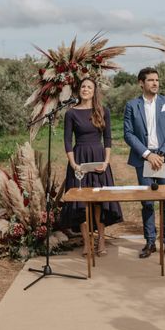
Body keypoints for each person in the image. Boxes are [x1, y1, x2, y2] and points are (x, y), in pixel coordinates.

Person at [123, 67, 165, 260]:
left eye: (157, 80)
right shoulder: (132, 105)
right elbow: (128, 134)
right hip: (144, 158)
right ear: (141, 83)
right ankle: (150, 242)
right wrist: (148, 154)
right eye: (150, 80)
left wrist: (162, 154)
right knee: (147, 202)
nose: (155, 83)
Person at [61, 78, 123, 257]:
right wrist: (73, 164)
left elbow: (108, 139)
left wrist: (106, 162)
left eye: (89, 87)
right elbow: (67, 140)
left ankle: (101, 240)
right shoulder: (71, 113)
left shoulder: (103, 111)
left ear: (94, 91)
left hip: (98, 159)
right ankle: (86, 243)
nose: (85, 89)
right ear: (79, 90)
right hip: (79, 159)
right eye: (83, 86)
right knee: (82, 203)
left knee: (98, 201)